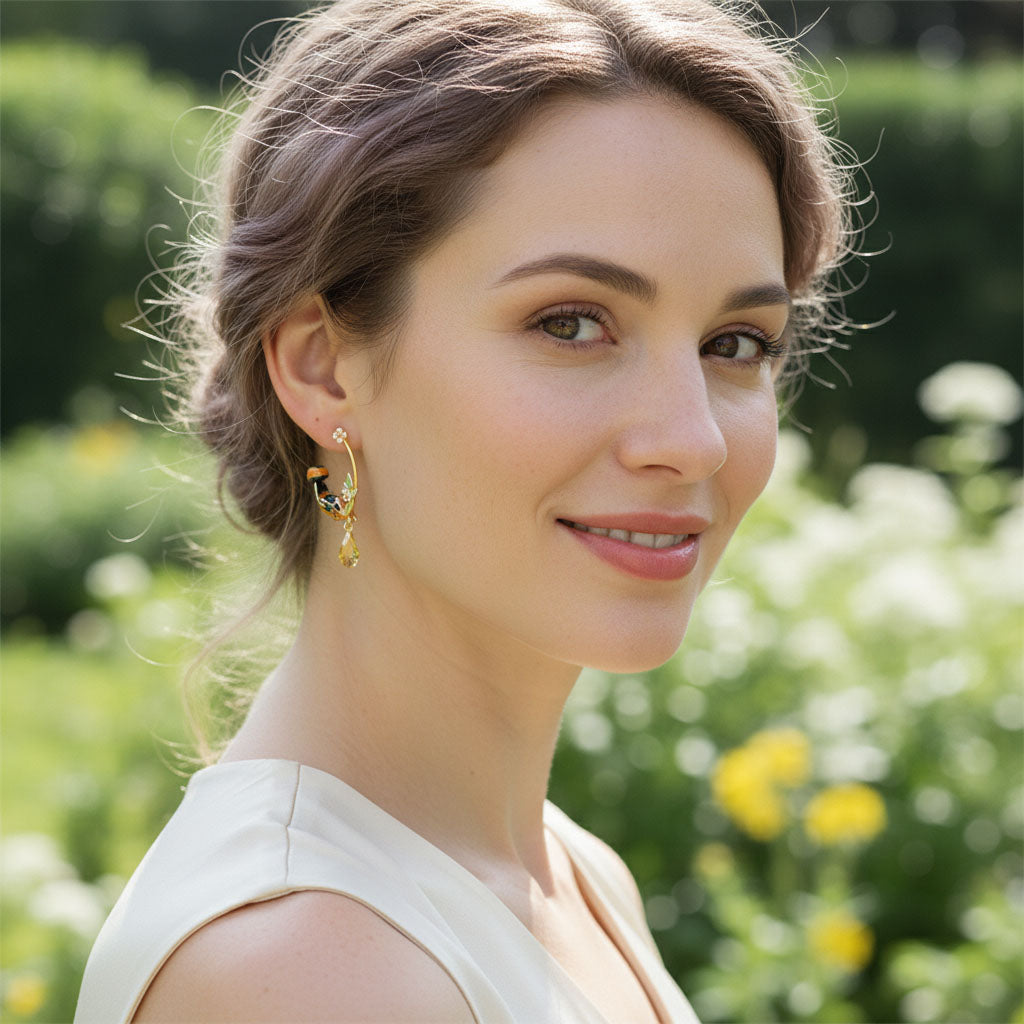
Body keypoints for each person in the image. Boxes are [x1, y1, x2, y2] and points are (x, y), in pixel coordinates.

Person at [75, 0, 854, 1020]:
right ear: (322, 367)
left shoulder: (576, 877)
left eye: (736, 342)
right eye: (571, 323)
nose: (693, 438)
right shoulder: (304, 964)